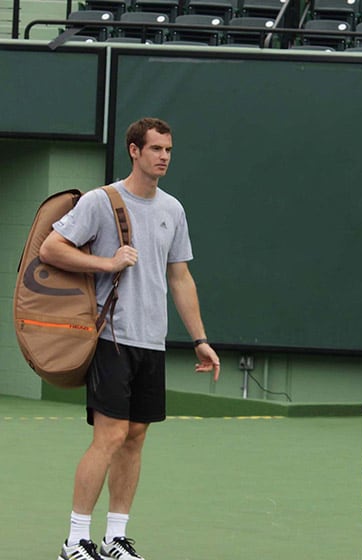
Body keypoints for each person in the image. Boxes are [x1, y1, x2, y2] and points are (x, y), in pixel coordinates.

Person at [39, 117, 221, 560]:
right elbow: (50, 248)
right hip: (111, 339)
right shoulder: (103, 201)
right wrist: (108, 264)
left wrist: (199, 338)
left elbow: (180, 277)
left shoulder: (172, 210)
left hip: (151, 342)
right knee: (111, 435)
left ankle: (114, 538)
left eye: (169, 150)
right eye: (156, 148)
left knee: (136, 435)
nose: (164, 157)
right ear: (134, 151)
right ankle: (75, 540)